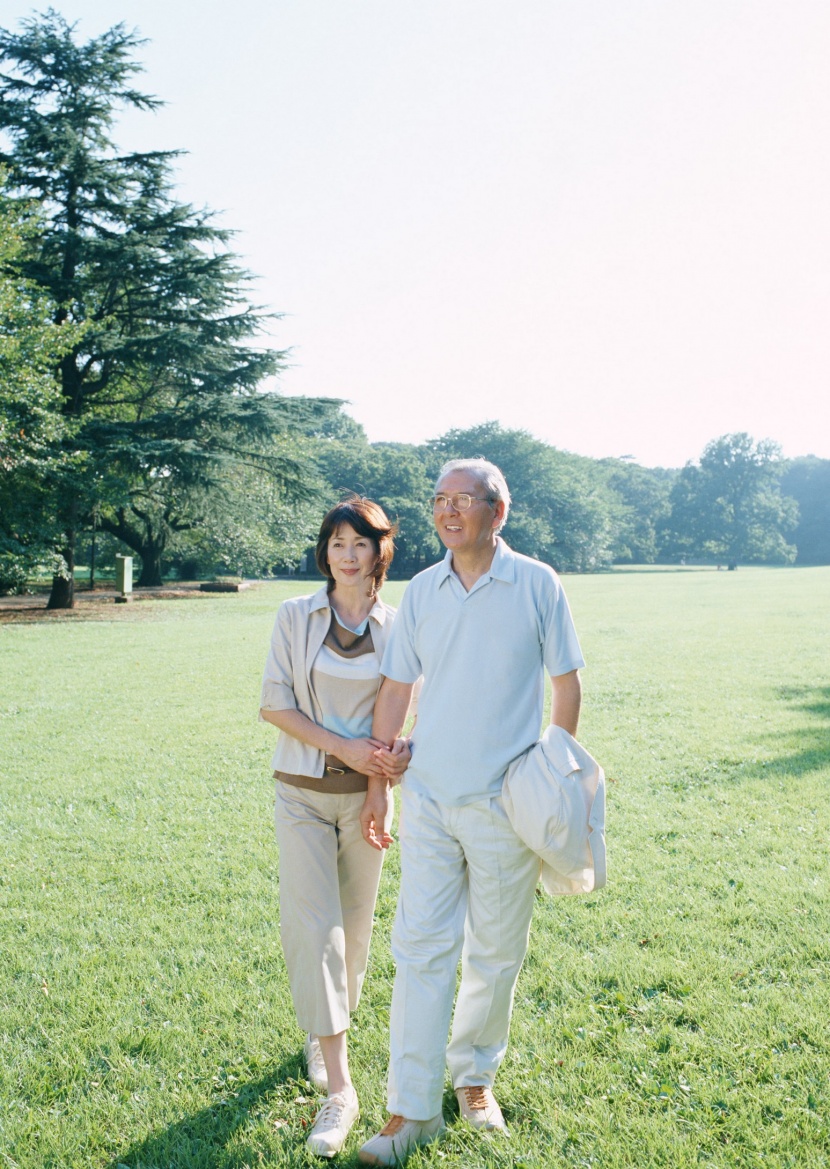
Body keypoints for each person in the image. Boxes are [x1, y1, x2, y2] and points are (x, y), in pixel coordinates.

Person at [357, 459, 585, 1166]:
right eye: (439, 500)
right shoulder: (423, 589)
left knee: (494, 951)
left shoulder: (538, 583)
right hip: (427, 798)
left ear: (498, 510)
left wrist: (552, 774)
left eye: (464, 499)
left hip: (504, 805)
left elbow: (567, 685)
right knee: (421, 948)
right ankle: (409, 1109)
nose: (449, 511)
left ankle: (475, 1080)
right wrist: (379, 782)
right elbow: (396, 688)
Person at [259, 496, 408, 1159]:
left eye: (360, 542)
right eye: (336, 542)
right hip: (302, 793)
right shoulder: (296, 616)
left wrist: (378, 781)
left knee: (354, 931)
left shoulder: (401, 627)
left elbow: (400, 718)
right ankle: (340, 1086)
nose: (347, 553)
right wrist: (343, 749)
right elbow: (274, 703)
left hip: (367, 800)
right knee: (314, 927)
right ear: (325, 552)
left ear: (380, 550)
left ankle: (324, 1033)